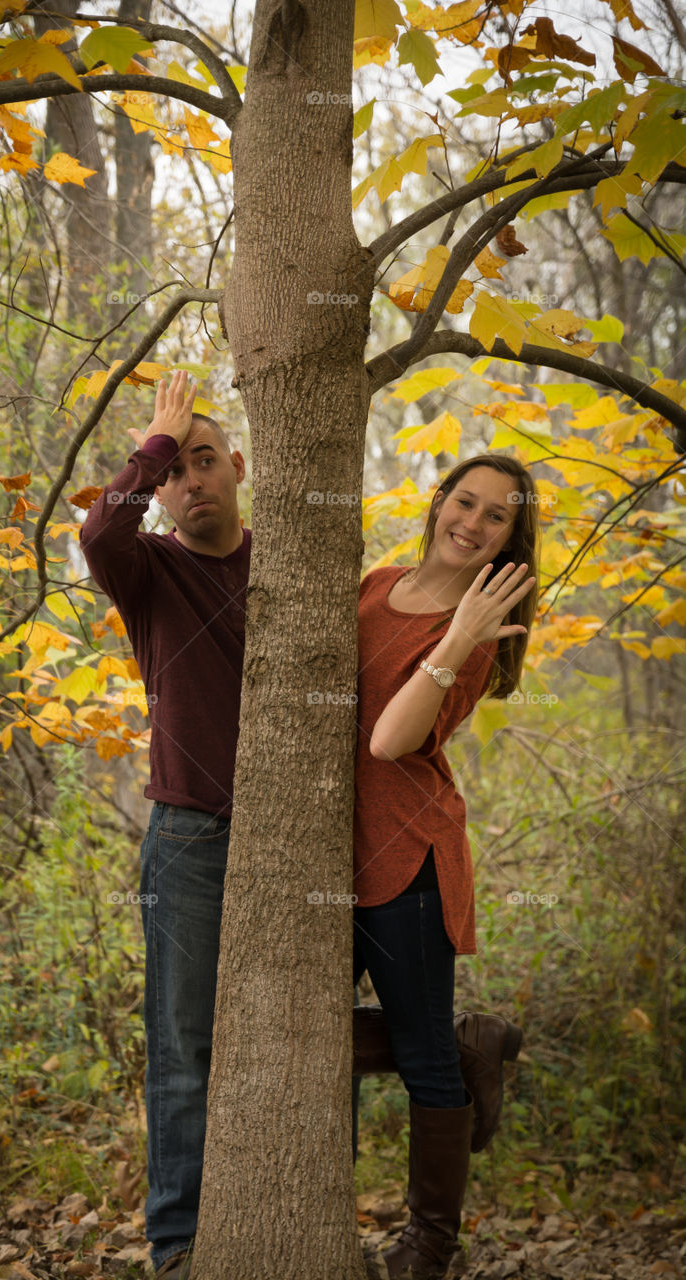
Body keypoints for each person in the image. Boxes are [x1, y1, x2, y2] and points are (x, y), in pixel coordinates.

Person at [353, 454, 539, 1280]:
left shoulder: (482, 628)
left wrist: (459, 634)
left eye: (495, 516)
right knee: (297, 1028)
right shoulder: (373, 583)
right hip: (328, 854)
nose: (472, 521)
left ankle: (432, 1242)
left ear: (510, 535)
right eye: (464, 501)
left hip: (408, 853)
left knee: (420, 1055)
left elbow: (390, 742)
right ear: (437, 502)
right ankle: (475, 1049)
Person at [80, 371, 248, 1280]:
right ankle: (176, 1243)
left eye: (204, 461)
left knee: (303, 1029)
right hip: (188, 837)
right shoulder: (149, 574)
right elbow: (102, 528)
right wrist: (152, 442)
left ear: (238, 468)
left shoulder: (289, 566)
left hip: (295, 840)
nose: (189, 483)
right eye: (174, 472)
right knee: (183, 1043)